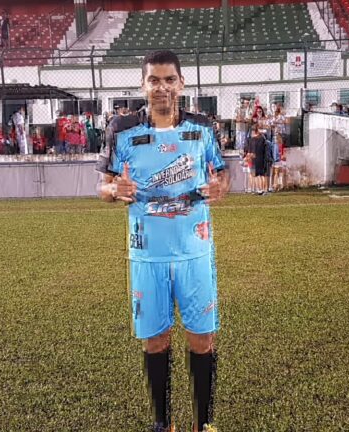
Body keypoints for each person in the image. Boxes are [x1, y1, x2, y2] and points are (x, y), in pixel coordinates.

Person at [96, 50, 229, 432]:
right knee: (155, 342)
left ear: (181, 84)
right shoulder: (121, 130)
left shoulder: (203, 128)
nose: (162, 87)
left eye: (169, 79)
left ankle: (203, 423)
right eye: (154, 80)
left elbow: (222, 176)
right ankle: (162, 423)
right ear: (143, 85)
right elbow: (102, 187)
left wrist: (221, 187)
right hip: (147, 254)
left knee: (202, 340)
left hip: (195, 251)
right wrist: (111, 190)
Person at [247, 124, 268, 195]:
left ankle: (259, 189)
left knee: (256, 175)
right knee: (262, 175)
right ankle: (264, 190)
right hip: (262, 158)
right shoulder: (263, 139)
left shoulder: (252, 140)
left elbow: (250, 152)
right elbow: (265, 149)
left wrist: (248, 158)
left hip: (255, 159)